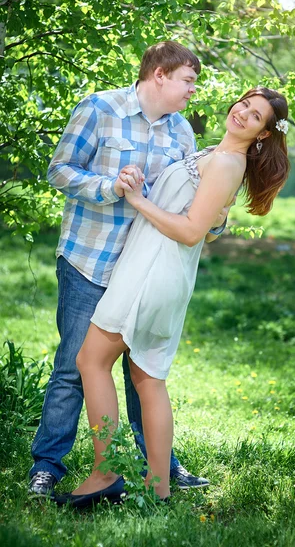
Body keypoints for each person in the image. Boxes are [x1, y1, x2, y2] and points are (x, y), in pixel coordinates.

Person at [54, 87, 290, 507]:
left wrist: (138, 200)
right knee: (147, 378)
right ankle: (158, 489)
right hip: (158, 268)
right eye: (244, 104)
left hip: (153, 270)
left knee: (92, 361)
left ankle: (104, 473)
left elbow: (190, 231)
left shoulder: (226, 162)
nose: (242, 114)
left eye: (254, 117)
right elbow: (203, 216)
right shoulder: (215, 153)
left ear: (263, 135)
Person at [29, 41, 224, 497]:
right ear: (159, 74)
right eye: (188, 81)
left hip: (143, 271)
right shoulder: (100, 108)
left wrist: (214, 220)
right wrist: (108, 186)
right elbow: (59, 170)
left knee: (144, 373)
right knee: (74, 367)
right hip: (89, 261)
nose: (192, 91)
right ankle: (47, 466)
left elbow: (188, 203)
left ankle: (159, 466)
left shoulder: (182, 135)